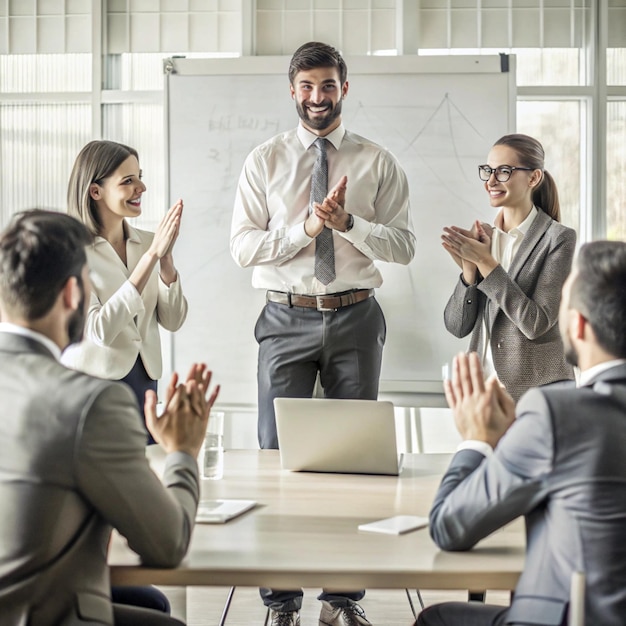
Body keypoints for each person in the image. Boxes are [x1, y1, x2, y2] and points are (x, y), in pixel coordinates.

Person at [230, 41, 416, 626]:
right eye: (307, 86)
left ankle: (341, 603)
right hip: (285, 316)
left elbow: (404, 245)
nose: (317, 97)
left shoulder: (377, 161)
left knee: (355, 465)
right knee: (274, 456)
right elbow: (242, 248)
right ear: (292, 90)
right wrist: (307, 226)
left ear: (344, 88)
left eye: (328, 86)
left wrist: (350, 224)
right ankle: (280, 603)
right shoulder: (264, 160)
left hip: (357, 313)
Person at [0, 209, 219, 626]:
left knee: (150, 605)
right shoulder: (89, 404)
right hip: (39, 612)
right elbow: (166, 543)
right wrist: (183, 452)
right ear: (72, 295)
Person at [417, 240, 626, 626]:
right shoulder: (556, 418)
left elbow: (449, 527)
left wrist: (477, 438)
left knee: (438, 619)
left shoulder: (558, 414)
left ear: (577, 325)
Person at [63, 140, 188, 443]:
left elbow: (172, 321)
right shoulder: (72, 251)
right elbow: (100, 331)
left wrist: (166, 260)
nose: (141, 187)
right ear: (96, 191)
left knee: (143, 470)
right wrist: (151, 260)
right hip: (97, 385)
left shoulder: (149, 243)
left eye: (140, 177)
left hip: (145, 381)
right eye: (128, 181)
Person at [441, 133, 576, 402]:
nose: (491, 181)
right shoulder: (484, 239)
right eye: (489, 170)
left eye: (504, 171)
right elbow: (457, 327)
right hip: (486, 392)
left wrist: (487, 264)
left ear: (534, 178)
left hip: (541, 393)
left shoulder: (558, 238)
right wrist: (469, 273)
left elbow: (536, 323)